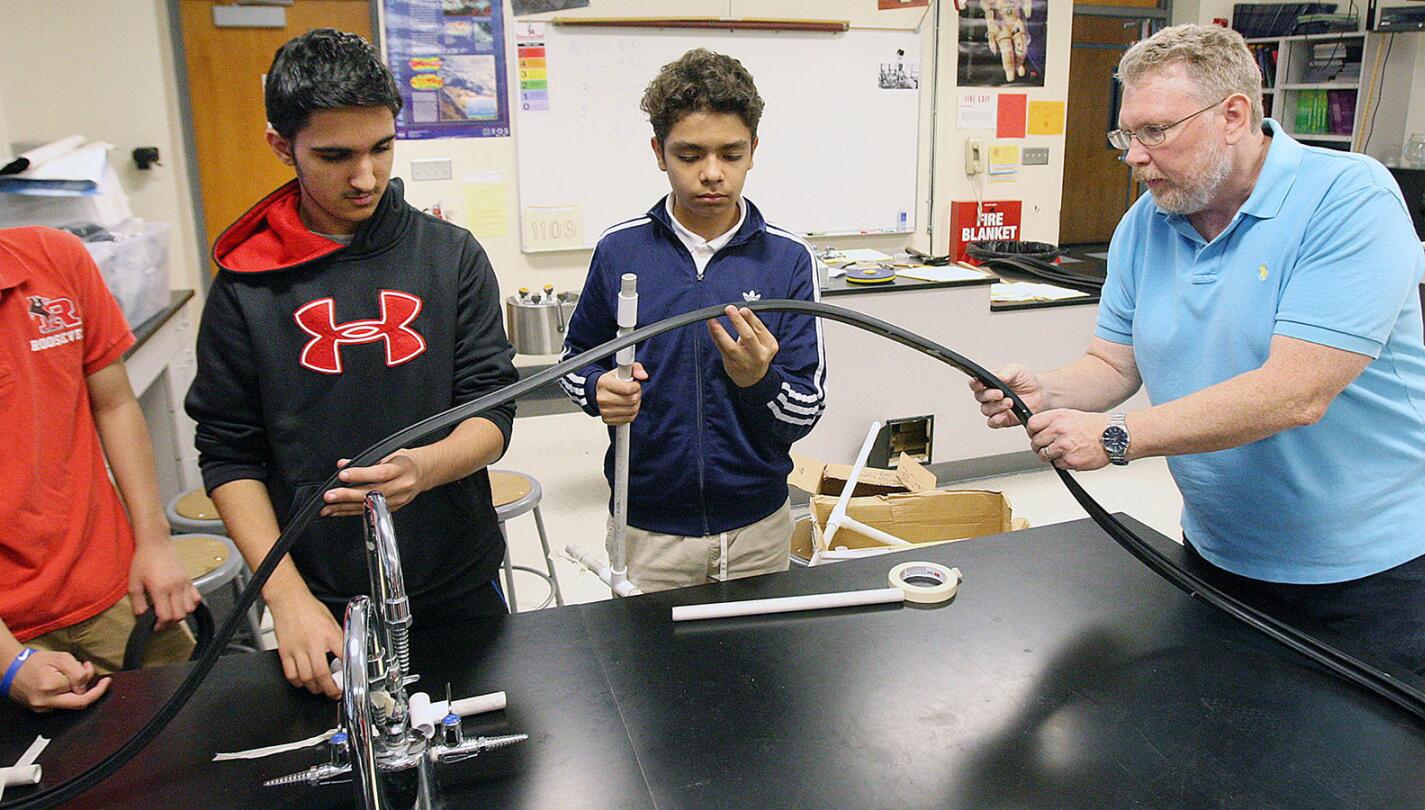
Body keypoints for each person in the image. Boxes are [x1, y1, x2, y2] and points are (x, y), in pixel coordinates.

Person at [970, 24, 1425, 677]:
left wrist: (1115, 438)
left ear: (1234, 116)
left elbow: (1296, 393)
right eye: (1126, 135)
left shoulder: (1345, 200)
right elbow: (1113, 364)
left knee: (1362, 772)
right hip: (1220, 555)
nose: (1133, 156)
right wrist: (1044, 393)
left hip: (1373, 574)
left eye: (1156, 132)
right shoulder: (1145, 224)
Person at [185, 29, 519, 700]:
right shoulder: (248, 287)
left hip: (456, 578)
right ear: (283, 146)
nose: (365, 177)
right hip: (322, 598)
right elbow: (228, 455)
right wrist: (287, 600)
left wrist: (425, 468)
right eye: (335, 156)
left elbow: (493, 413)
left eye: (381, 148)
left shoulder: (450, 257)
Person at [560, 49, 827, 594]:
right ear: (659, 153)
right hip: (646, 526)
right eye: (690, 153)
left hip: (758, 525)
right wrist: (597, 391)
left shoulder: (788, 259)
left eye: (731, 153)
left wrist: (759, 381)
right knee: (646, 672)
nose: (712, 173)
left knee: (764, 672)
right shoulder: (620, 250)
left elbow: (806, 407)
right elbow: (571, 365)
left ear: (754, 150)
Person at [1, 226, 200, 712]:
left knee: (188, 741)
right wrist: (8, 661)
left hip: (116, 587)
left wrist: (154, 542)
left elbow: (113, 405)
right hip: (9, 629)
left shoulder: (53, 258)